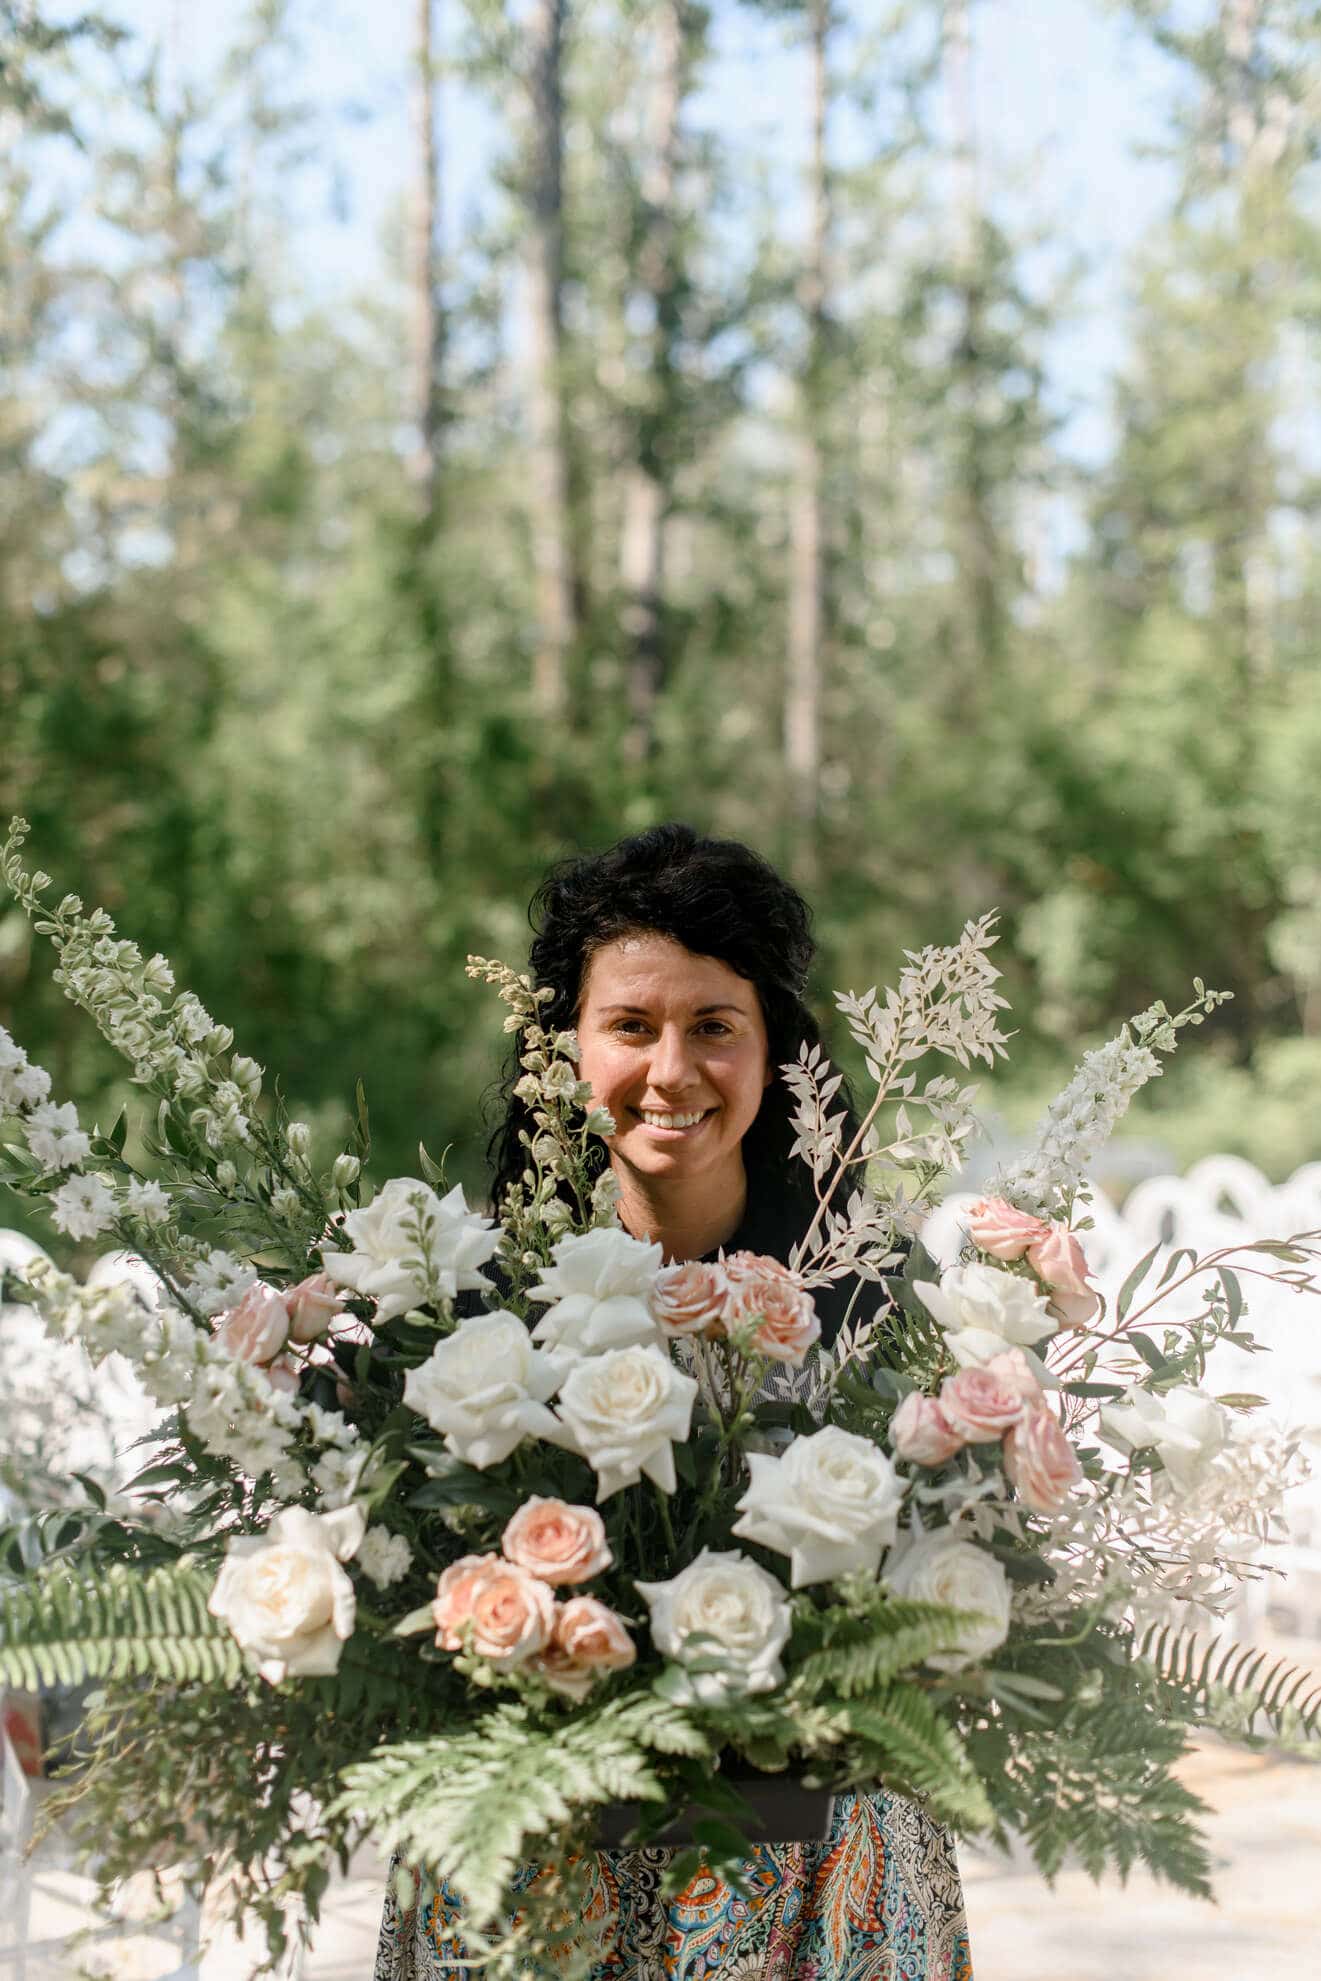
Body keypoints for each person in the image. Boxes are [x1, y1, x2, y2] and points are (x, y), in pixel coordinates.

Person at [374, 824, 973, 1981]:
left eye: (713, 1026)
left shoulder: (873, 1296)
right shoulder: (479, 1300)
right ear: (567, 1048)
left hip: (819, 1871)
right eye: (630, 1026)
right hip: (530, 1864)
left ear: (773, 1048)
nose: (670, 1072)